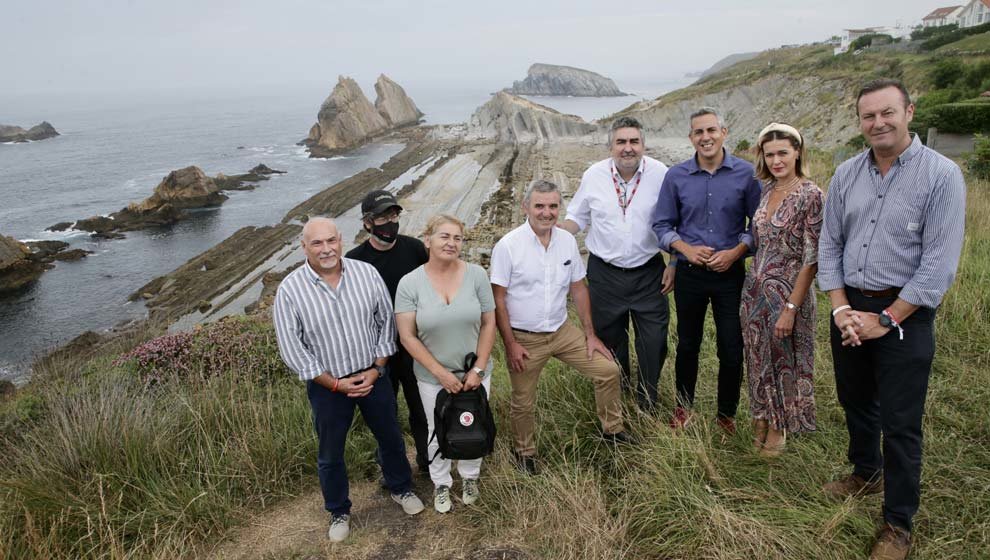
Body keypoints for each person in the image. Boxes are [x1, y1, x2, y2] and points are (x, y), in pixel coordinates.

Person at [818, 79, 965, 560]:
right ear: (859, 121)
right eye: (868, 116)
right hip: (850, 308)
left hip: (906, 314)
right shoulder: (846, 174)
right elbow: (831, 245)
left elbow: (937, 265)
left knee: (901, 422)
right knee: (855, 400)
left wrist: (885, 317)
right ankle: (866, 473)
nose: (878, 123)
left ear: (909, 111)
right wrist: (841, 308)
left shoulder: (941, 175)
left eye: (887, 113)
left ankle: (897, 523)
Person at [272, 217, 425, 543]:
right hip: (328, 387)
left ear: (340, 240)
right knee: (331, 452)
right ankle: (338, 510)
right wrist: (333, 383)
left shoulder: (366, 274)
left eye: (331, 241)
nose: (326, 249)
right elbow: (290, 346)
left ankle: (401, 488)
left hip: (372, 376)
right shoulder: (289, 290)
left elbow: (386, 322)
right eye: (317, 243)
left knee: (391, 437)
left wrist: (377, 367)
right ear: (304, 247)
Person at [494, 180, 631, 475]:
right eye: (540, 206)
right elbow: (499, 300)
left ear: (560, 208)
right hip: (524, 338)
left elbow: (579, 289)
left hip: (562, 331)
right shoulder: (508, 246)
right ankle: (524, 452)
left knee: (608, 370)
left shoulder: (567, 241)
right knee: (523, 401)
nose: (547, 212)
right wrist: (510, 345)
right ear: (526, 207)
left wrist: (590, 335)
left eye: (553, 206)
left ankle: (613, 431)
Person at [652, 107, 761, 433]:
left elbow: (758, 225)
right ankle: (684, 408)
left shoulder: (747, 174)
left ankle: (726, 414)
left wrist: (736, 252)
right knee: (688, 344)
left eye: (711, 130)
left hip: (731, 274)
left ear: (724, 133)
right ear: (691, 138)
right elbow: (662, 224)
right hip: (690, 274)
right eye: (698, 132)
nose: (706, 137)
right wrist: (684, 250)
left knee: (731, 346)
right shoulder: (676, 176)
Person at [561, 116, 674, 412]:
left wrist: (674, 262)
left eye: (634, 142)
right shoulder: (594, 174)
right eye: (621, 142)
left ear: (643, 145)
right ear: (610, 145)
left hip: (649, 272)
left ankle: (646, 400)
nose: (628, 148)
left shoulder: (661, 173)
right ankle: (619, 394)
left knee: (654, 341)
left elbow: (677, 221)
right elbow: (578, 217)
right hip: (604, 275)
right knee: (611, 343)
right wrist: (553, 236)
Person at [394, 214, 497, 513]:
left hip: (474, 373)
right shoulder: (409, 283)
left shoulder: (477, 275)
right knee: (436, 428)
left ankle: (470, 477)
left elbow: (489, 323)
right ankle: (441, 483)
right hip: (431, 377)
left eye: (457, 238)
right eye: (444, 236)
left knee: (471, 423)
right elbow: (407, 337)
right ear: (428, 240)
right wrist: (441, 374)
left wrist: (478, 368)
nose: (451, 243)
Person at [739, 123, 823, 457]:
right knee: (758, 358)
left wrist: (791, 307)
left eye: (783, 153)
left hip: (790, 293)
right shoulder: (766, 189)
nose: (776, 160)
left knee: (784, 361)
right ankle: (761, 417)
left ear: (798, 152)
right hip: (755, 290)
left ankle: (779, 427)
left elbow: (812, 258)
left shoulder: (811, 194)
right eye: (769, 154)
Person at [346, 190, 431, 475]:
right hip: (377, 353)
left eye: (393, 215)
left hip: (417, 348)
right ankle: (391, 468)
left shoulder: (415, 249)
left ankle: (428, 461)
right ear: (367, 222)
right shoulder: (354, 261)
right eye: (383, 217)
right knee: (385, 414)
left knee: (421, 409)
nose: (390, 222)